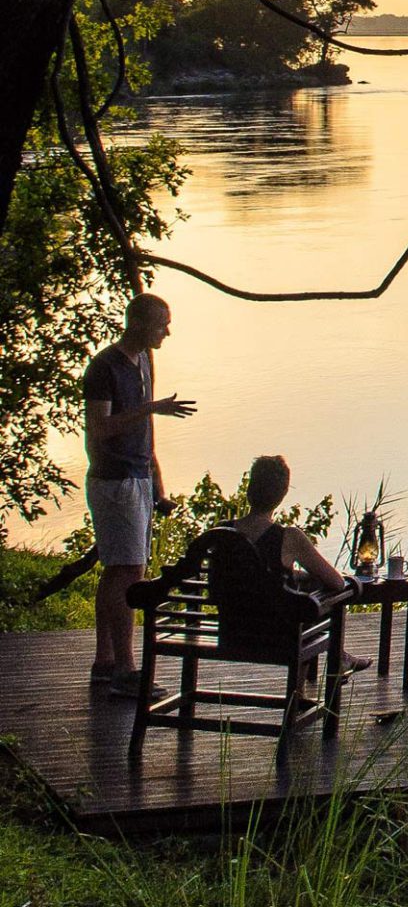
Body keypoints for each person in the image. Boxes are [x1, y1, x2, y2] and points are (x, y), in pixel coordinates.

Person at [82, 293, 196, 699]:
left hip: (138, 479)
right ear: (137, 324)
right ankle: (126, 671)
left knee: (122, 569)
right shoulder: (104, 367)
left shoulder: (144, 361)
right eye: (161, 323)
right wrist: (150, 407)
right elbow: (99, 429)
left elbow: (143, 432)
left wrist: (157, 484)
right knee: (127, 571)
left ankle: (105, 662)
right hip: (113, 481)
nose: (167, 330)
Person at [223, 455, 371, 674]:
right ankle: (306, 690)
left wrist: (296, 576)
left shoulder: (221, 532)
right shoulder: (289, 538)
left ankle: (340, 658)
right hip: (276, 634)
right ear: (281, 495)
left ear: (249, 489)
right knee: (329, 596)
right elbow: (337, 582)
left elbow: (253, 575)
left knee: (303, 598)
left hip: (230, 631)